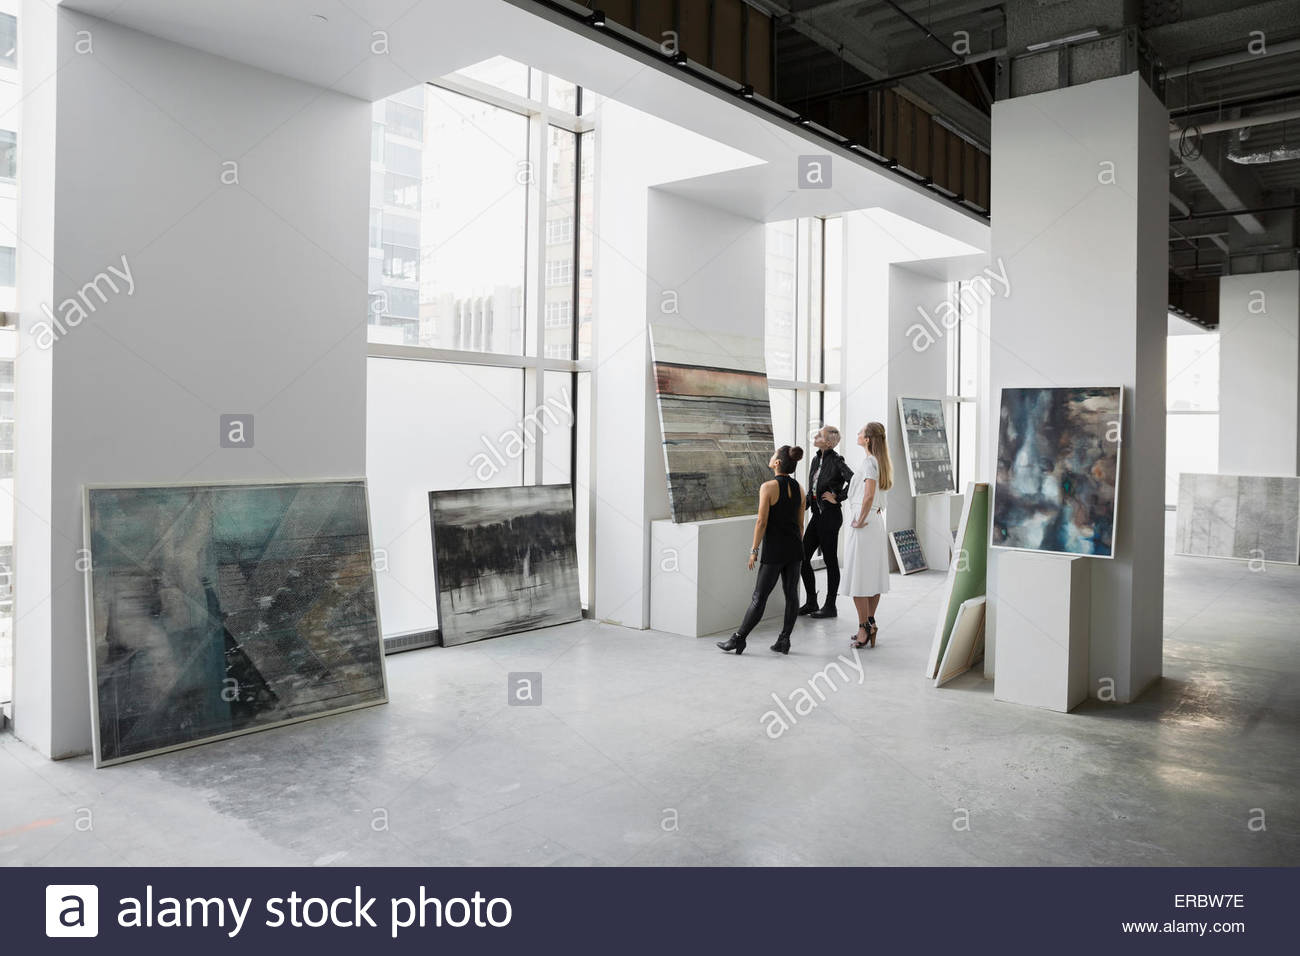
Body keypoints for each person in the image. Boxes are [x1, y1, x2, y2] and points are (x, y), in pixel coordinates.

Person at [717, 445, 806, 656]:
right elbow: (801, 525)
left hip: (774, 551)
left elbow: (761, 522)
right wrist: (794, 546)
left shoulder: (768, 487)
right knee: (791, 595)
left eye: (774, 455)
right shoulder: (800, 488)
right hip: (795, 549)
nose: (771, 456)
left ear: (777, 463)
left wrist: (754, 550)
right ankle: (784, 640)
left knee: (759, 597)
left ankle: (738, 640)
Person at [840, 422, 893, 649]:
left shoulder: (870, 462)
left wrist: (859, 519)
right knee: (872, 576)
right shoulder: (880, 461)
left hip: (864, 524)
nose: (858, 434)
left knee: (858, 578)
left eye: (861, 432)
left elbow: (869, 495)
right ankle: (870, 622)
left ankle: (863, 627)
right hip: (875, 523)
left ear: (868, 439)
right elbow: (878, 496)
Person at [798, 425, 854, 619]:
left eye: (819, 435)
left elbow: (854, 480)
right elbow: (815, 488)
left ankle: (830, 606)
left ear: (829, 442)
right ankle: (812, 601)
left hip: (830, 517)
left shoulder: (837, 461)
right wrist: (803, 502)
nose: (815, 435)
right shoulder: (815, 459)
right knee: (802, 557)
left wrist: (838, 497)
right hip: (817, 515)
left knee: (830, 561)